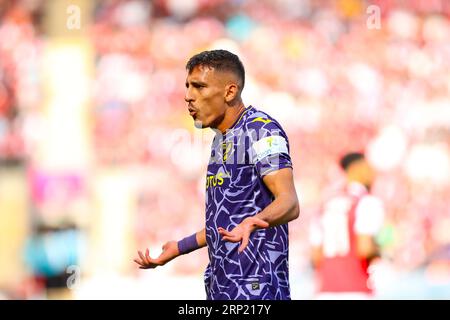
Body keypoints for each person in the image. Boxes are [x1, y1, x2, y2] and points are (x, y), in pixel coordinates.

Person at [134, 49, 300, 300]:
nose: (188, 96)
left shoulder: (261, 130)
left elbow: (289, 202)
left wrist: (255, 221)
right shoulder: (220, 140)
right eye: (188, 86)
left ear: (230, 91)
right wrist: (181, 247)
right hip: (222, 286)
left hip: (257, 288)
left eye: (199, 87)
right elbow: (227, 222)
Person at [309, 152, 385, 299]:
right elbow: (364, 248)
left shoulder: (324, 204)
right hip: (357, 289)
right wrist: (379, 252)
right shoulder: (367, 202)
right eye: (368, 167)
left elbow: (316, 256)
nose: (372, 173)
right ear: (357, 168)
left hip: (325, 291)